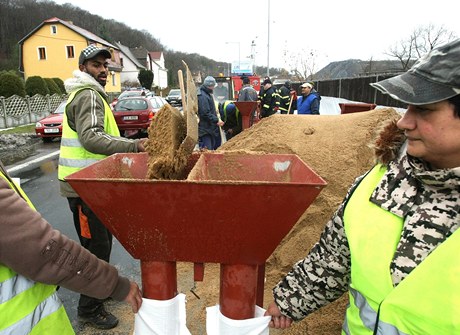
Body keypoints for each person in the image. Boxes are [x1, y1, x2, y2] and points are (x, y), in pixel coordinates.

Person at [265, 38, 460, 334]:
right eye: (407, 107)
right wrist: (290, 300)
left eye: (425, 110)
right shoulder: (380, 180)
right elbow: (334, 257)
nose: (405, 122)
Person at [58, 45, 147, 329]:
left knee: (101, 244)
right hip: (83, 188)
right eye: (96, 65)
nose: (103, 70)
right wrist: (134, 145)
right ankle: (88, 309)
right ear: (83, 68)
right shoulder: (87, 95)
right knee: (94, 250)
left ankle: (101, 292)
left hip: (90, 184)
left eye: (105, 66)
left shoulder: (89, 93)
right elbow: (92, 138)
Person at [0, 160, 142, 334]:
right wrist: (116, 285)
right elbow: (45, 250)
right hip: (20, 326)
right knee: (96, 246)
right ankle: (89, 308)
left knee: (101, 246)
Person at [197, 75, 224, 150]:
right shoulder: (203, 96)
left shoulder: (207, 94)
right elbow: (205, 113)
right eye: (213, 86)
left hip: (209, 129)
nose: (214, 88)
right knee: (207, 151)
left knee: (212, 149)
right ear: (210, 86)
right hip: (205, 130)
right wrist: (216, 120)